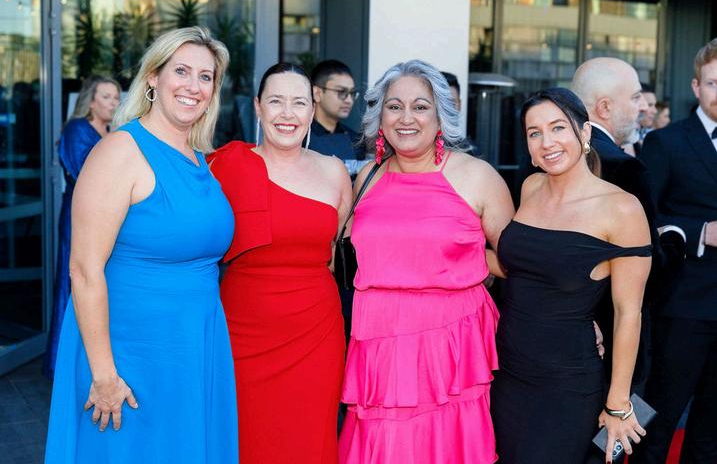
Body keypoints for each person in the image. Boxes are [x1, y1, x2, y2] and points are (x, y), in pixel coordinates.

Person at [45, 27, 238, 463]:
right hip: (130, 361)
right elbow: (84, 269)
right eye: (181, 71)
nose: (193, 86)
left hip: (193, 353)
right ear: (153, 77)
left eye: (205, 77)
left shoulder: (199, 159)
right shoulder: (120, 151)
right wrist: (103, 375)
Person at [338, 59, 515, 463]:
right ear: (380, 118)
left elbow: (516, 263)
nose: (406, 118)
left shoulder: (477, 176)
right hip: (379, 343)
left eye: (420, 107)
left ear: (440, 116)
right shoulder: (367, 178)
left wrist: (464, 261)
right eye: (394, 106)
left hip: (449, 347)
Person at [490, 87, 652, 463]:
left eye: (558, 127)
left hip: (566, 384)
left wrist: (618, 404)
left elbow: (629, 313)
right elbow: (523, 270)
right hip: (507, 372)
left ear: (585, 132)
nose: (547, 142)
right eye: (534, 133)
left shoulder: (622, 209)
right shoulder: (530, 188)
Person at [209, 62, 352, 464]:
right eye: (276, 101)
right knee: (245, 438)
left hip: (316, 334)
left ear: (312, 109)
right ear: (258, 107)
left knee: (308, 439)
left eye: (298, 103)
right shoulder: (223, 167)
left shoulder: (335, 172)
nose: (287, 114)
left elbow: (334, 251)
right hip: (242, 331)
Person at [631, 37, 717, 464]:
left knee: (712, 432)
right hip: (682, 308)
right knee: (657, 422)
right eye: (714, 83)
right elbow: (644, 219)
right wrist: (702, 232)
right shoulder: (666, 143)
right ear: (696, 86)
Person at [571, 57, 667, 392]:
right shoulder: (625, 168)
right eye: (636, 97)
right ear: (605, 107)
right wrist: (675, 241)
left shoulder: (543, 158)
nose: (643, 107)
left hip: (556, 331)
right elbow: (650, 270)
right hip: (612, 340)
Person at [44, 75, 120, 378]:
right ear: (90, 100)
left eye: (116, 97)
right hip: (81, 217)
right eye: (106, 97)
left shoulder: (112, 132)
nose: (114, 103)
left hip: (108, 218)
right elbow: (88, 175)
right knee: (76, 279)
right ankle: (64, 364)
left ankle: (93, 360)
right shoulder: (77, 129)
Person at [310, 59, 368, 176]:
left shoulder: (356, 141)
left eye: (352, 93)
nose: (349, 100)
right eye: (341, 92)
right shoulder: (300, 138)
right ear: (317, 93)